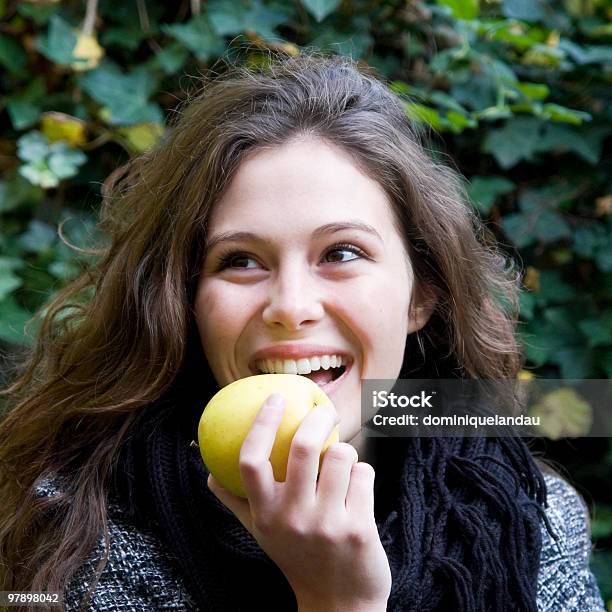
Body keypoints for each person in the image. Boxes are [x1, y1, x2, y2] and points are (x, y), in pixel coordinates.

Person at [0, 51, 605, 612]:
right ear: (183, 301)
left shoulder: (537, 520)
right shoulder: (78, 535)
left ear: (422, 292)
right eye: (240, 260)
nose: (290, 306)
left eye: (341, 253)